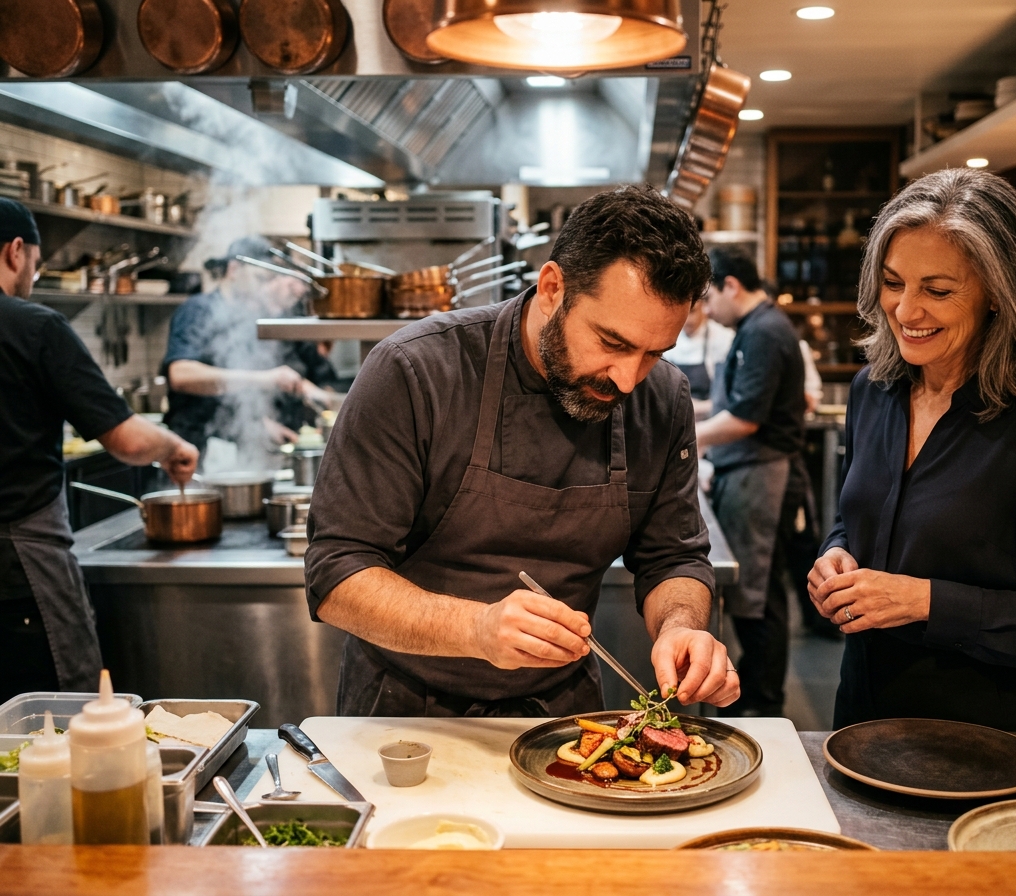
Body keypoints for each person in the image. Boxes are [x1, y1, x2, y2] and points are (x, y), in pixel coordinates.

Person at [305, 185, 739, 717]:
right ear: (553, 287)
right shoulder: (416, 372)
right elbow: (337, 572)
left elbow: (672, 557)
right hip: (403, 716)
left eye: (654, 353)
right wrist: (476, 628)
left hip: (561, 717)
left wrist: (681, 628)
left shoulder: (662, 399)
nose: (628, 379)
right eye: (613, 342)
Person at [807, 169, 1016, 731]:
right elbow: (855, 516)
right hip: (859, 718)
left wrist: (926, 601)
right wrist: (837, 554)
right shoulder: (872, 392)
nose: (905, 310)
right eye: (893, 282)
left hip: (981, 739)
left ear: (1000, 293)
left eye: (938, 290)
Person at [0, 198, 198, 701]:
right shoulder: (33, 326)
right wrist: (172, 445)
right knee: (56, 726)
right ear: (15, 251)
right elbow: (128, 440)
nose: (31, 277)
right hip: (20, 573)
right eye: (36, 266)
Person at [695, 248, 809, 717]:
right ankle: (757, 697)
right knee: (753, 597)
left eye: (708, 297)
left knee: (760, 599)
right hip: (747, 473)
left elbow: (745, 419)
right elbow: (732, 404)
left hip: (763, 476)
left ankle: (762, 705)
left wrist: (687, 438)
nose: (706, 309)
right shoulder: (753, 329)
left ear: (731, 286)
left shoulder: (764, 331)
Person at [162, 236, 338, 458]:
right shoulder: (198, 310)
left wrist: (259, 423)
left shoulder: (251, 319)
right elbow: (181, 375)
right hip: (197, 449)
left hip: (242, 451)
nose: (265, 288)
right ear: (234, 270)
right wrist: (268, 378)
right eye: (261, 279)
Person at [663, 293, 734, 409]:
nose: (686, 320)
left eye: (692, 312)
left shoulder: (723, 339)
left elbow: (724, 399)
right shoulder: (666, 338)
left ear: (703, 306)